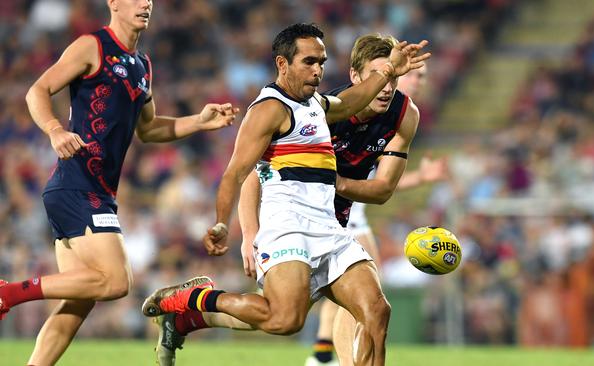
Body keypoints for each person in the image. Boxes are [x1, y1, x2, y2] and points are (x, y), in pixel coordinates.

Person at [141, 23, 430, 366]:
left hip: (329, 227)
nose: (318, 70)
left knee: (377, 311)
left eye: (321, 62)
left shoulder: (318, 104)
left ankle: (187, 318)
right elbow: (237, 172)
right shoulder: (268, 109)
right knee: (284, 320)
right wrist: (225, 224)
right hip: (287, 225)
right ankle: (194, 299)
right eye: (309, 62)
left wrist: (387, 73)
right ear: (283, 64)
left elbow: (352, 100)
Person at [0, 1, 238, 365]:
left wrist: (200, 122)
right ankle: (10, 293)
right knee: (115, 281)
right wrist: (54, 130)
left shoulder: (143, 65)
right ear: (113, 2)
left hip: (97, 193)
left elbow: (150, 128)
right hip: (75, 184)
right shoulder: (91, 46)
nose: (146, 4)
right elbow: (37, 90)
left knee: (77, 304)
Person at [304, 37, 446, 366]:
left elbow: (381, 187)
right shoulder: (327, 110)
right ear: (357, 76)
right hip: (302, 209)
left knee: (366, 295)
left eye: (396, 77)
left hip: (344, 210)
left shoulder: (403, 114)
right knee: (281, 317)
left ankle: (330, 358)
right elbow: (261, 167)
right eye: (413, 75)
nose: (389, 84)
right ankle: (192, 309)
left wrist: (336, 183)